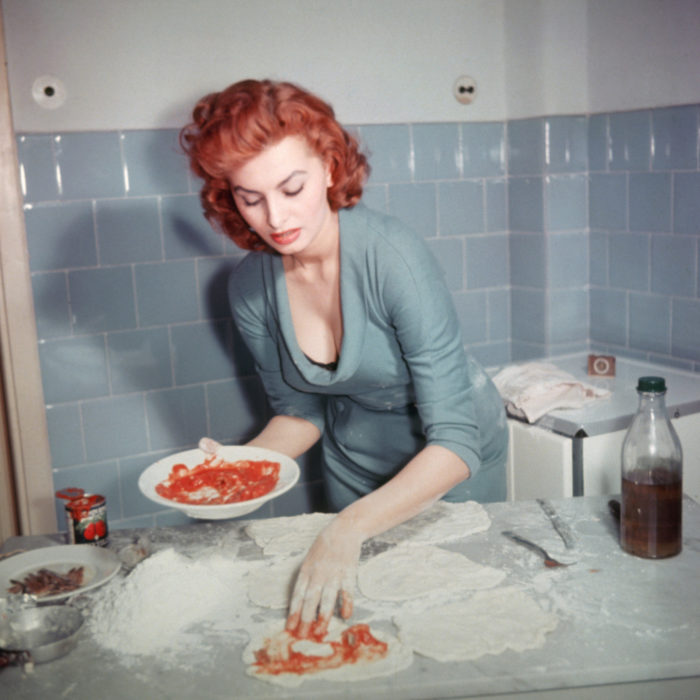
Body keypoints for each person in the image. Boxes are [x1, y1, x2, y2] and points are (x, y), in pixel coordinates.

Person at [180, 79, 508, 638]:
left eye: (291, 187)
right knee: (365, 634)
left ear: (331, 168)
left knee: (451, 627)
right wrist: (237, 470)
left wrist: (344, 531)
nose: (274, 217)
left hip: (448, 468)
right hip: (352, 467)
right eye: (249, 198)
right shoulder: (249, 288)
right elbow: (300, 413)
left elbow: (455, 439)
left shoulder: (392, 257)